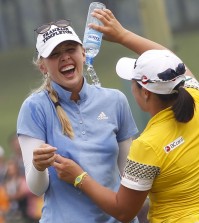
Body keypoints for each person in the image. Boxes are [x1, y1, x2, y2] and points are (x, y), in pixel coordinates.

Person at [52, 9, 199, 223]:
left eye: (133, 81)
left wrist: (78, 177)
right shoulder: (195, 97)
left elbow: (123, 210)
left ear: (145, 93)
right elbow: (173, 63)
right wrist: (123, 35)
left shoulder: (147, 146)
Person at [16, 19, 139, 222]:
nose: (65, 58)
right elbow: (37, 188)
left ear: (83, 53)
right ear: (43, 67)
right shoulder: (34, 108)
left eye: (70, 49)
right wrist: (38, 166)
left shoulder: (115, 100)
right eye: (55, 54)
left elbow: (129, 174)